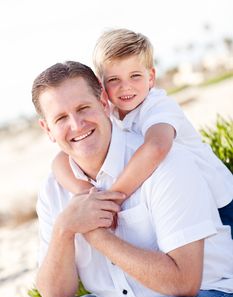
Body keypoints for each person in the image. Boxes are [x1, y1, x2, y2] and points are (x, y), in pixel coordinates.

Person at [1, 61, 233, 297]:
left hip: (211, 296)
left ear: (103, 102)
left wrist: (96, 234)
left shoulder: (164, 163)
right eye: (61, 118)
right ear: (47, 129)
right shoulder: (54, 190)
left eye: (83, 108)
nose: (76, 125)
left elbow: (184, 283)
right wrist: (65, 228)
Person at [52, 28, 233, 233]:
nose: (125, 87)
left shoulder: (158, 106)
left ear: (151, 78)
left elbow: (156, 147)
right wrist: (87, 194)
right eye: (114, 80)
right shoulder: (107, 112)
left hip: (219, 200)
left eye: (135, 76)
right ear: (100, 85)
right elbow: (60, 161)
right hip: (177, 200)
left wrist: (112, 199)